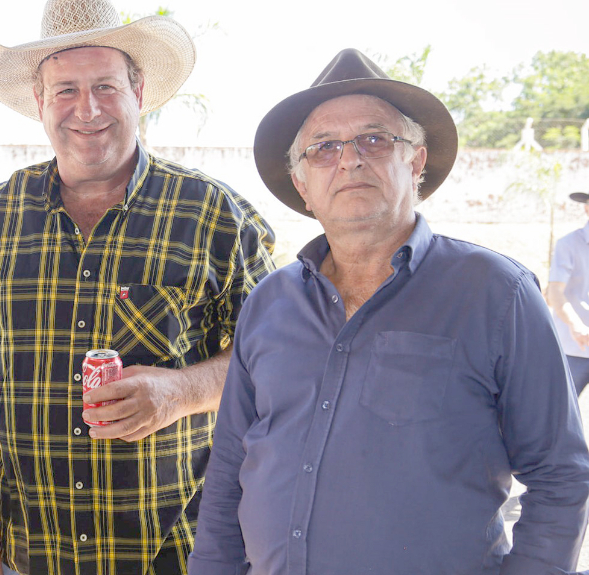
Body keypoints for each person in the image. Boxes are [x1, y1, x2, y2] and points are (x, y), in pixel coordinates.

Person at [188, 49, 589, 575]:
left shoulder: (496, 292)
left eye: (374, 140)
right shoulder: (269, 303)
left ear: (416, 162)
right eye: (324, 148)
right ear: (303, 186)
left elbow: (561, 475)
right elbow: (229, 476)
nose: (350, 159)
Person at [0, 1, 275, 574]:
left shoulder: (215, 215)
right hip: (30, 547)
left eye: (106, 86)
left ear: (138, 94)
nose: (86, 108)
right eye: (65, 89)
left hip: (181, 548)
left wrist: (181, 392)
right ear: (39, 103)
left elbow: (275, 357)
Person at [547, 191, 589, 398]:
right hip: (575, 346)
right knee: (563, 414)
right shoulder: (569, 244)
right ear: (586, 207)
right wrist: (576, 326)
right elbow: (554, 291)